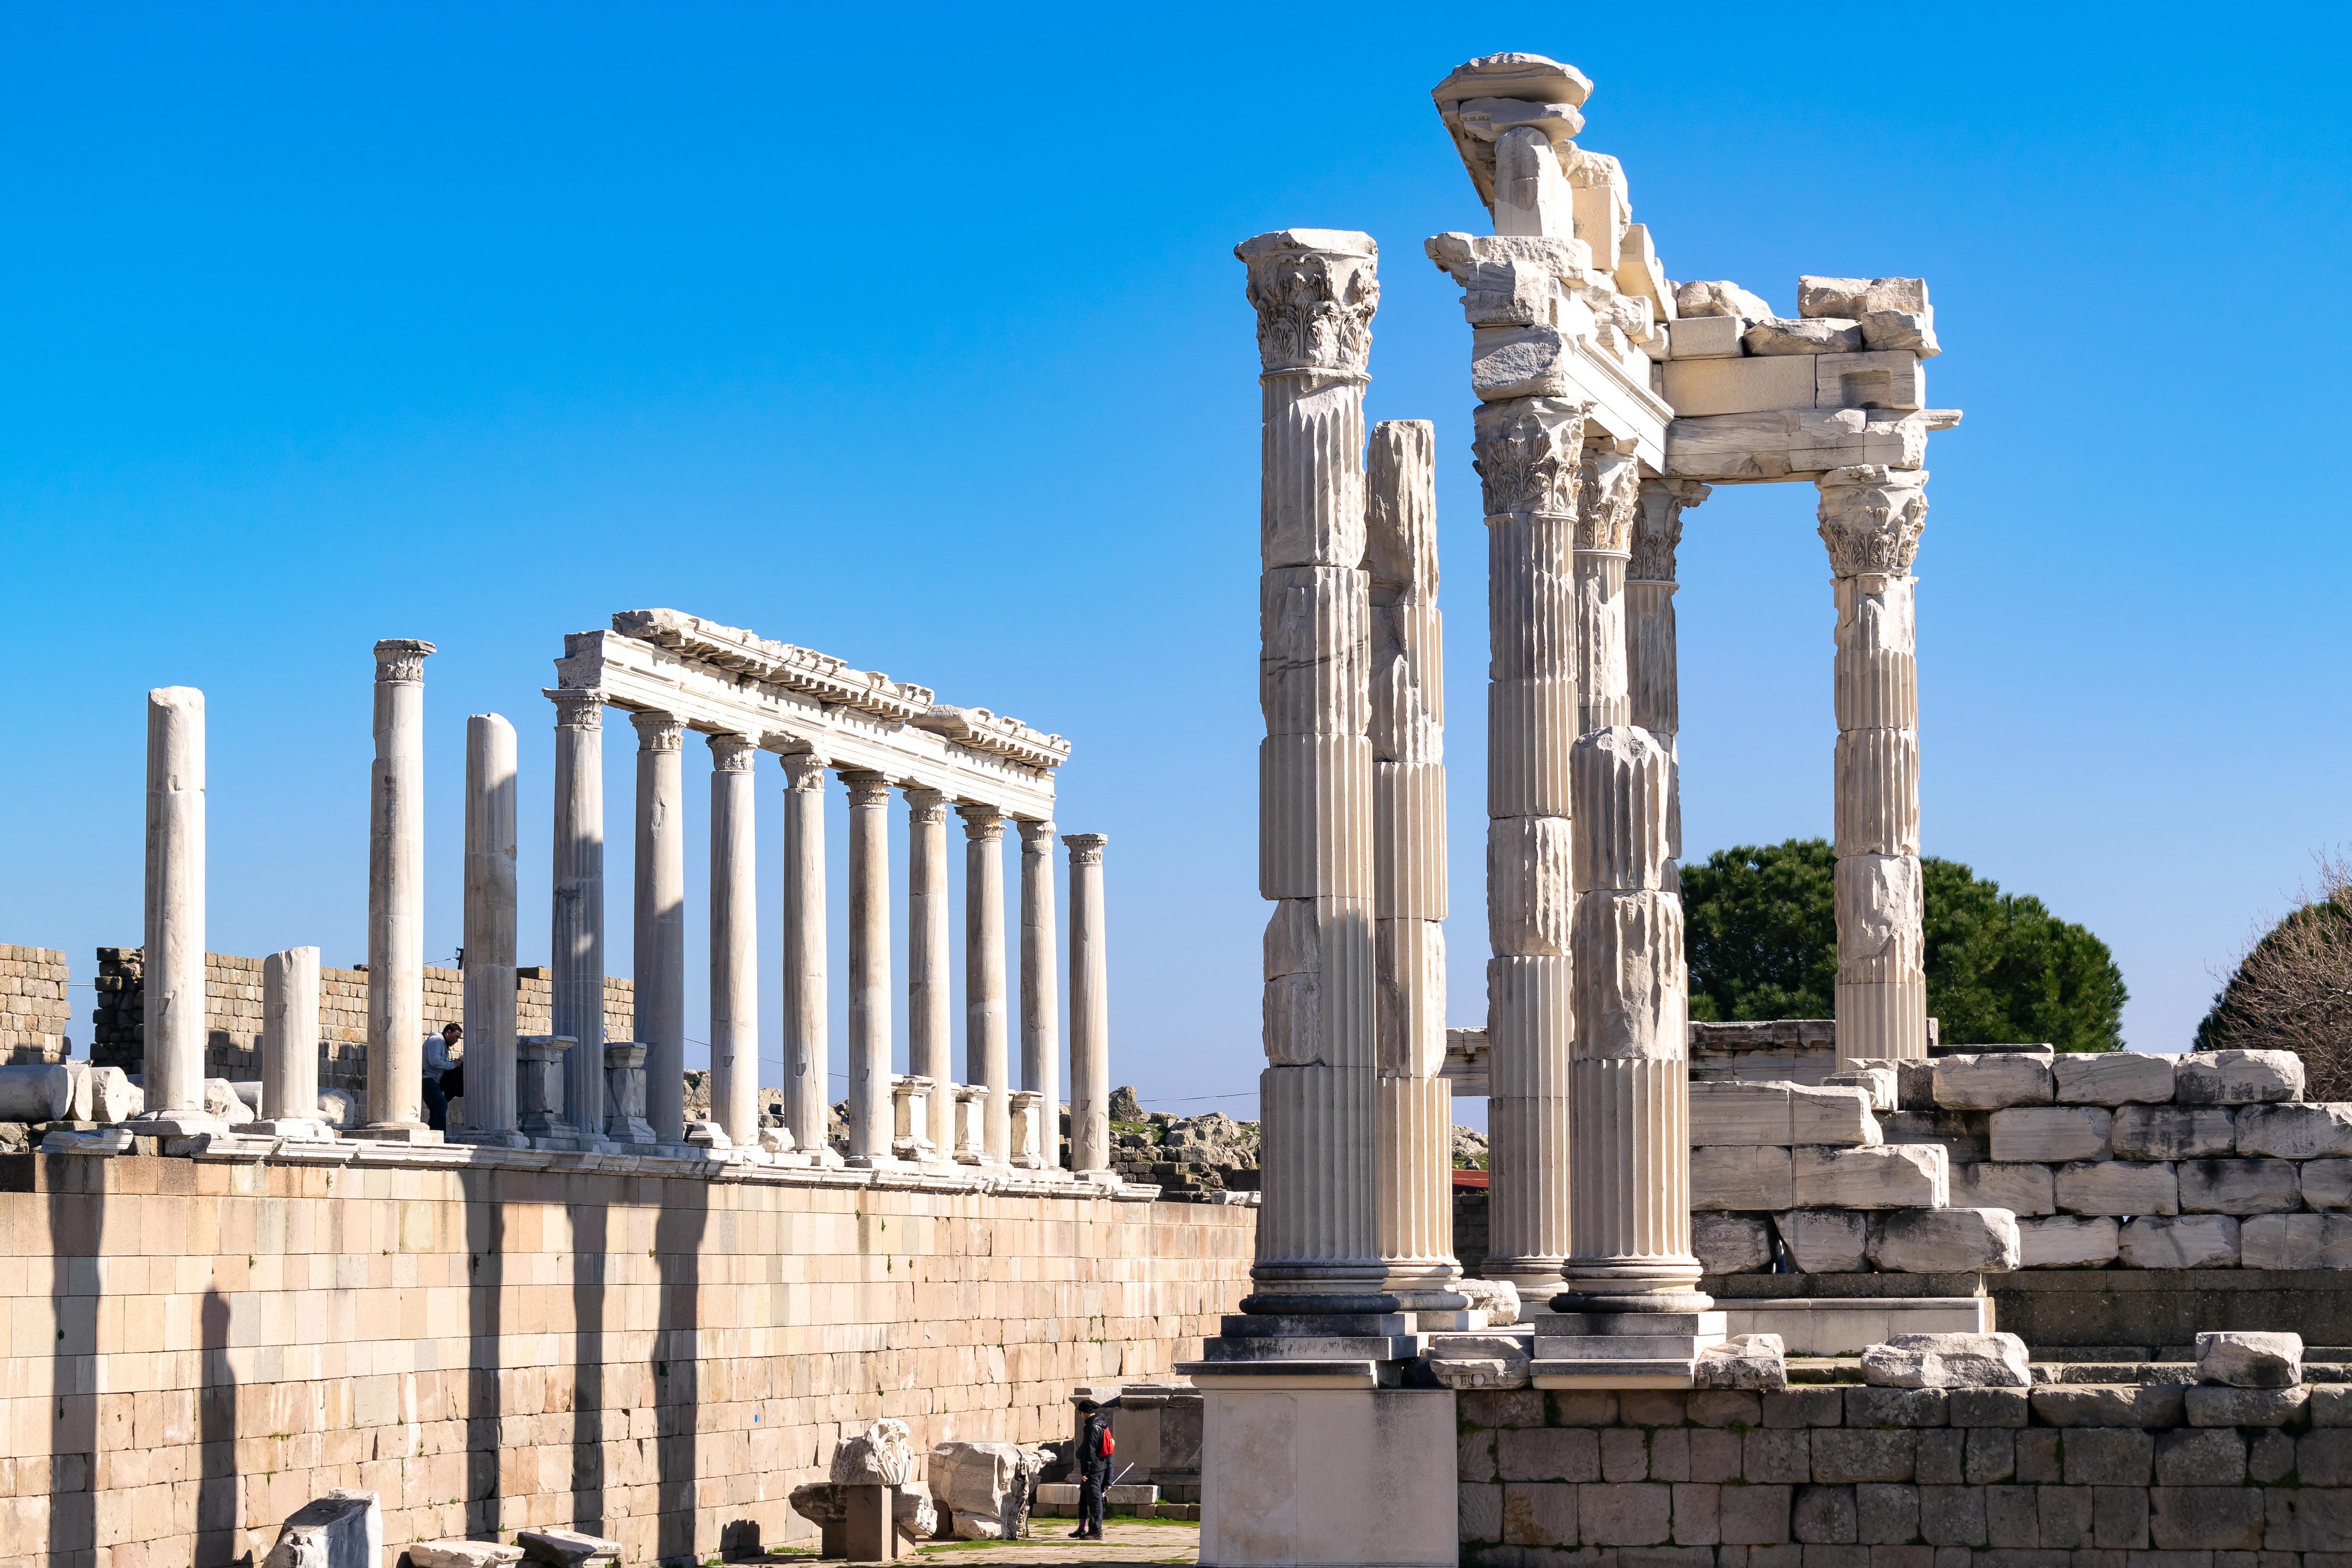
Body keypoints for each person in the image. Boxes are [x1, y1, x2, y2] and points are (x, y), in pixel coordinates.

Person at [1071, 1397, 1113, 1541]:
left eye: (1080, 1413)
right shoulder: (1102, 1425)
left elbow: (1089, 1451)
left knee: (1095, 1501)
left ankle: (1096, 1531)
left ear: (1084, 1412)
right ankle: (1085, 1529)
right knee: (1088, 1498)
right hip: (1100, 1468)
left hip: (1094, 1470)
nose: (1080, 1416)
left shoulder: (1092, 1426)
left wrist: (1085, 1471)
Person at [422, 1022, 463, 1132]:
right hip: (427, 1079)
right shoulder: (436, 1041)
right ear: (448, 1033)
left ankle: (433, 1134)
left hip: (434, 1080)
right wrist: (453, 1065)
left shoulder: (442, 1044)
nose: (456, 1041)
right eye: (456, 1037)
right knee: (441, 1105)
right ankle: (440, 1136)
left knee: (436, 1108)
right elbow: (435, 1061)